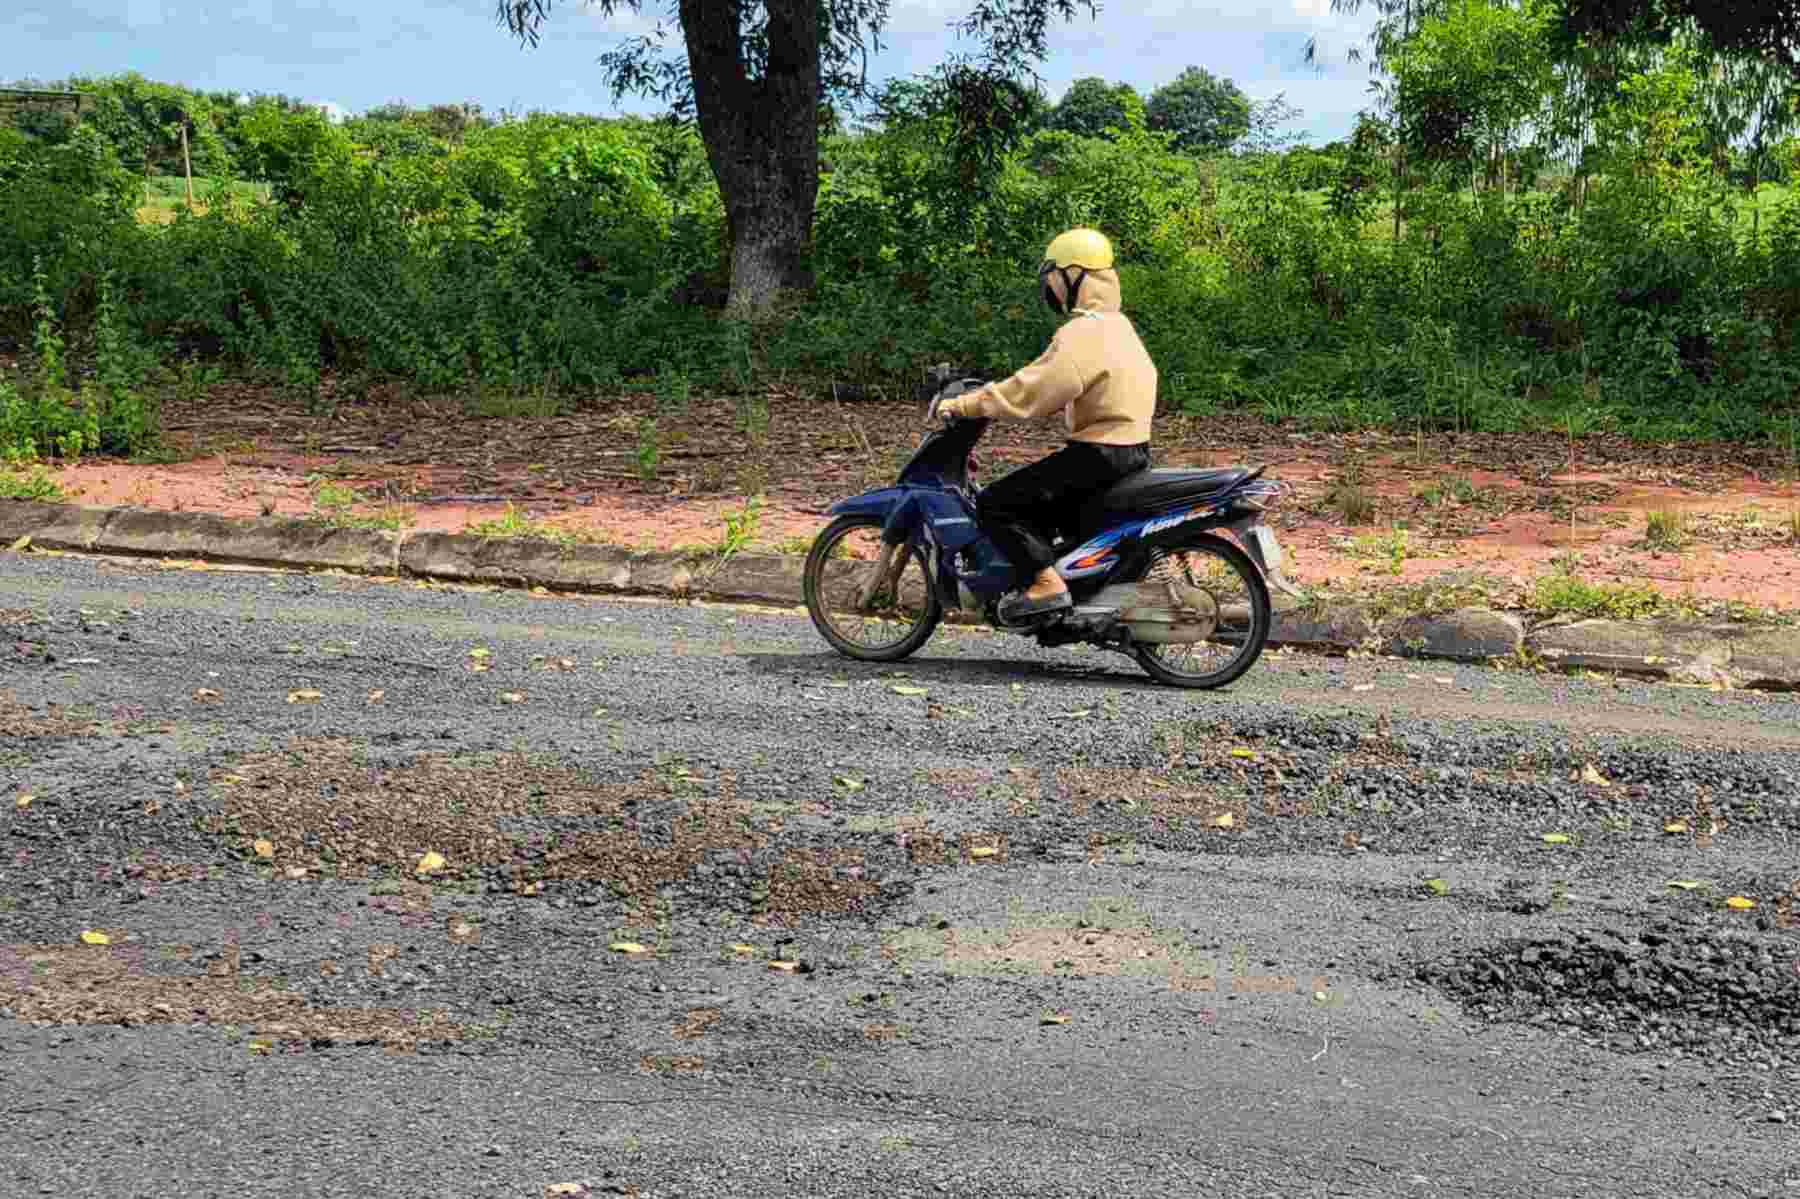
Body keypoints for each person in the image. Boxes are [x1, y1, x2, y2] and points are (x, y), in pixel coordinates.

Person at [933, 227, 1158, 625]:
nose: (1050, 288)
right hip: (1130, 451)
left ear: (1073, 277)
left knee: (996, 504)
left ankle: (1045, 585)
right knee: (1038, 503)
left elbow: (1031, 391)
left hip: (1099, 455)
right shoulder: (1118, 326)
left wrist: (967, 404)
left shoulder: (1083, 333)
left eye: (1052, 277)